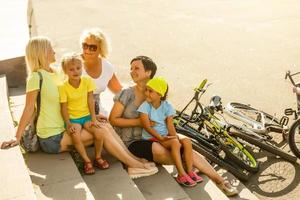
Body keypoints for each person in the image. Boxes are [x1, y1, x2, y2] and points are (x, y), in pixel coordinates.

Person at [0, 37, 158, 179]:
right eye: (50, 48)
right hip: (52, 137)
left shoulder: (56, 73)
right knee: (102, 130)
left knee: (105, 125)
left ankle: (133, 160)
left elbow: (74, 97)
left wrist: (93, 115)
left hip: (65, 128)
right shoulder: (36, 77)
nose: (54, 51)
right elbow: (29, 108)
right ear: (41, 52)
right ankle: (134, 165)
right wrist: (17, 136)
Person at [109, 56, 239, 196]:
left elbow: (164, 117)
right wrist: (140, 122)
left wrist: (172, 135)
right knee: (161, 150)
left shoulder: (156, 91)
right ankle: (188, 167)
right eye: (131, 68)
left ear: (148, 72)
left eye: (136, 68)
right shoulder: (126, 94)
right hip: (133, 141)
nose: (131, 71)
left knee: (183, 141)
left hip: (155, 135)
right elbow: (113, 119)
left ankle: (220, 181)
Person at [138, 77, 203, 187]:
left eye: (151, 91)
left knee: (186, 141)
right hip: (151, 137)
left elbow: (170, 125)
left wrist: (175, 137)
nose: (147, 93)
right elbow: (147, 127)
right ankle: (181, 175)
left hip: (165, 135)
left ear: (160, 94)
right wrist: (163, 138)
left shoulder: (167, 106)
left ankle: (190, 171)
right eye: (146, 90)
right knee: (174, 143)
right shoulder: (145, 107)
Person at [59, 53, 108, 174]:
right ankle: (87, 161)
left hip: (86, 117)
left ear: (82, 67)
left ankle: (97, 157)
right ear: (65, 71)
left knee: (99, 132)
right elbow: (63, 108)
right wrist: (68, 123)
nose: (76, 71)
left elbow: (90, 100)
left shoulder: (87, 81)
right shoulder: (63, 87)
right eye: (71, 69)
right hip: (74, 119)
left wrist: (93, 118)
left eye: (78, 68)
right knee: (75, 135)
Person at [80, 28, 122, 117]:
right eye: (85, 46)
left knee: (110, 130)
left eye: (92, 47)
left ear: (100, 49)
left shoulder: (107, 67)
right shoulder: (73, 63)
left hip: (97, 112)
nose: (87, 50)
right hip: (76, 113)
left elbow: (120, 92)